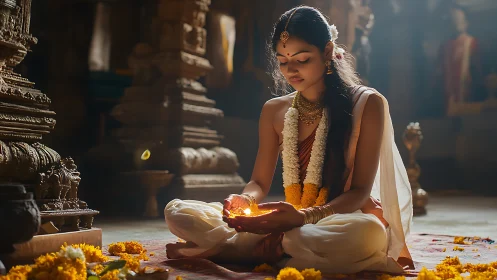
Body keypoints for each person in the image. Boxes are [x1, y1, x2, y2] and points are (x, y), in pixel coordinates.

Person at [164, 6, 413, 274]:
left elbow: (360, 191)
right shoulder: (274, 110)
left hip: (336, 219)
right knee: (178, 212)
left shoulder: (366, 104)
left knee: (368, 234)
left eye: (302, 59)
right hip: (288, 220)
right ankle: (278, 251)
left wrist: (303, 218)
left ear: (327, 52)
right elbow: (258, 182)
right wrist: (244, 200)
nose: (291, 70)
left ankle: (242, 250)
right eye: (283, 61)